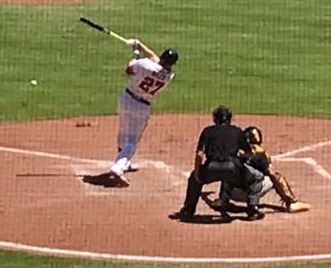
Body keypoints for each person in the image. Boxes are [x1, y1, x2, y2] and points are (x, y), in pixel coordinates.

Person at [106, 40, 178, 183]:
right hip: (142, 107)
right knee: (132, 140)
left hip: (126, 99)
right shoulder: (169, 75)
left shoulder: (143, 64)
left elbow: (129, 69)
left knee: (123, 132)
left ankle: (123, 162)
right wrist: (139, 44)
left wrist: (136, 53)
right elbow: (155, 61)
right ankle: (118, 167)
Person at [175, 105, 258, 220]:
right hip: (231, 168)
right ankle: (252, 211)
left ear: (215, 119)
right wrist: (241, 155)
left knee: (194, 180)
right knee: (253, 179)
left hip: (211, 168)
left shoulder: (207, 131)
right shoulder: (237, 131)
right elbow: (250, 153)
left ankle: (188, 211)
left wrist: (197, 174)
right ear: (229, 118)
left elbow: (199, 155)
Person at [218, 126, 310, 216]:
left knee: (228, 169)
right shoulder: (260, 154)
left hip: (232, 193)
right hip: (251, 193)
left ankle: (223, 200)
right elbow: (271, 174)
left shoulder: (233, 150)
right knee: (275, 176)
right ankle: (291, 202)